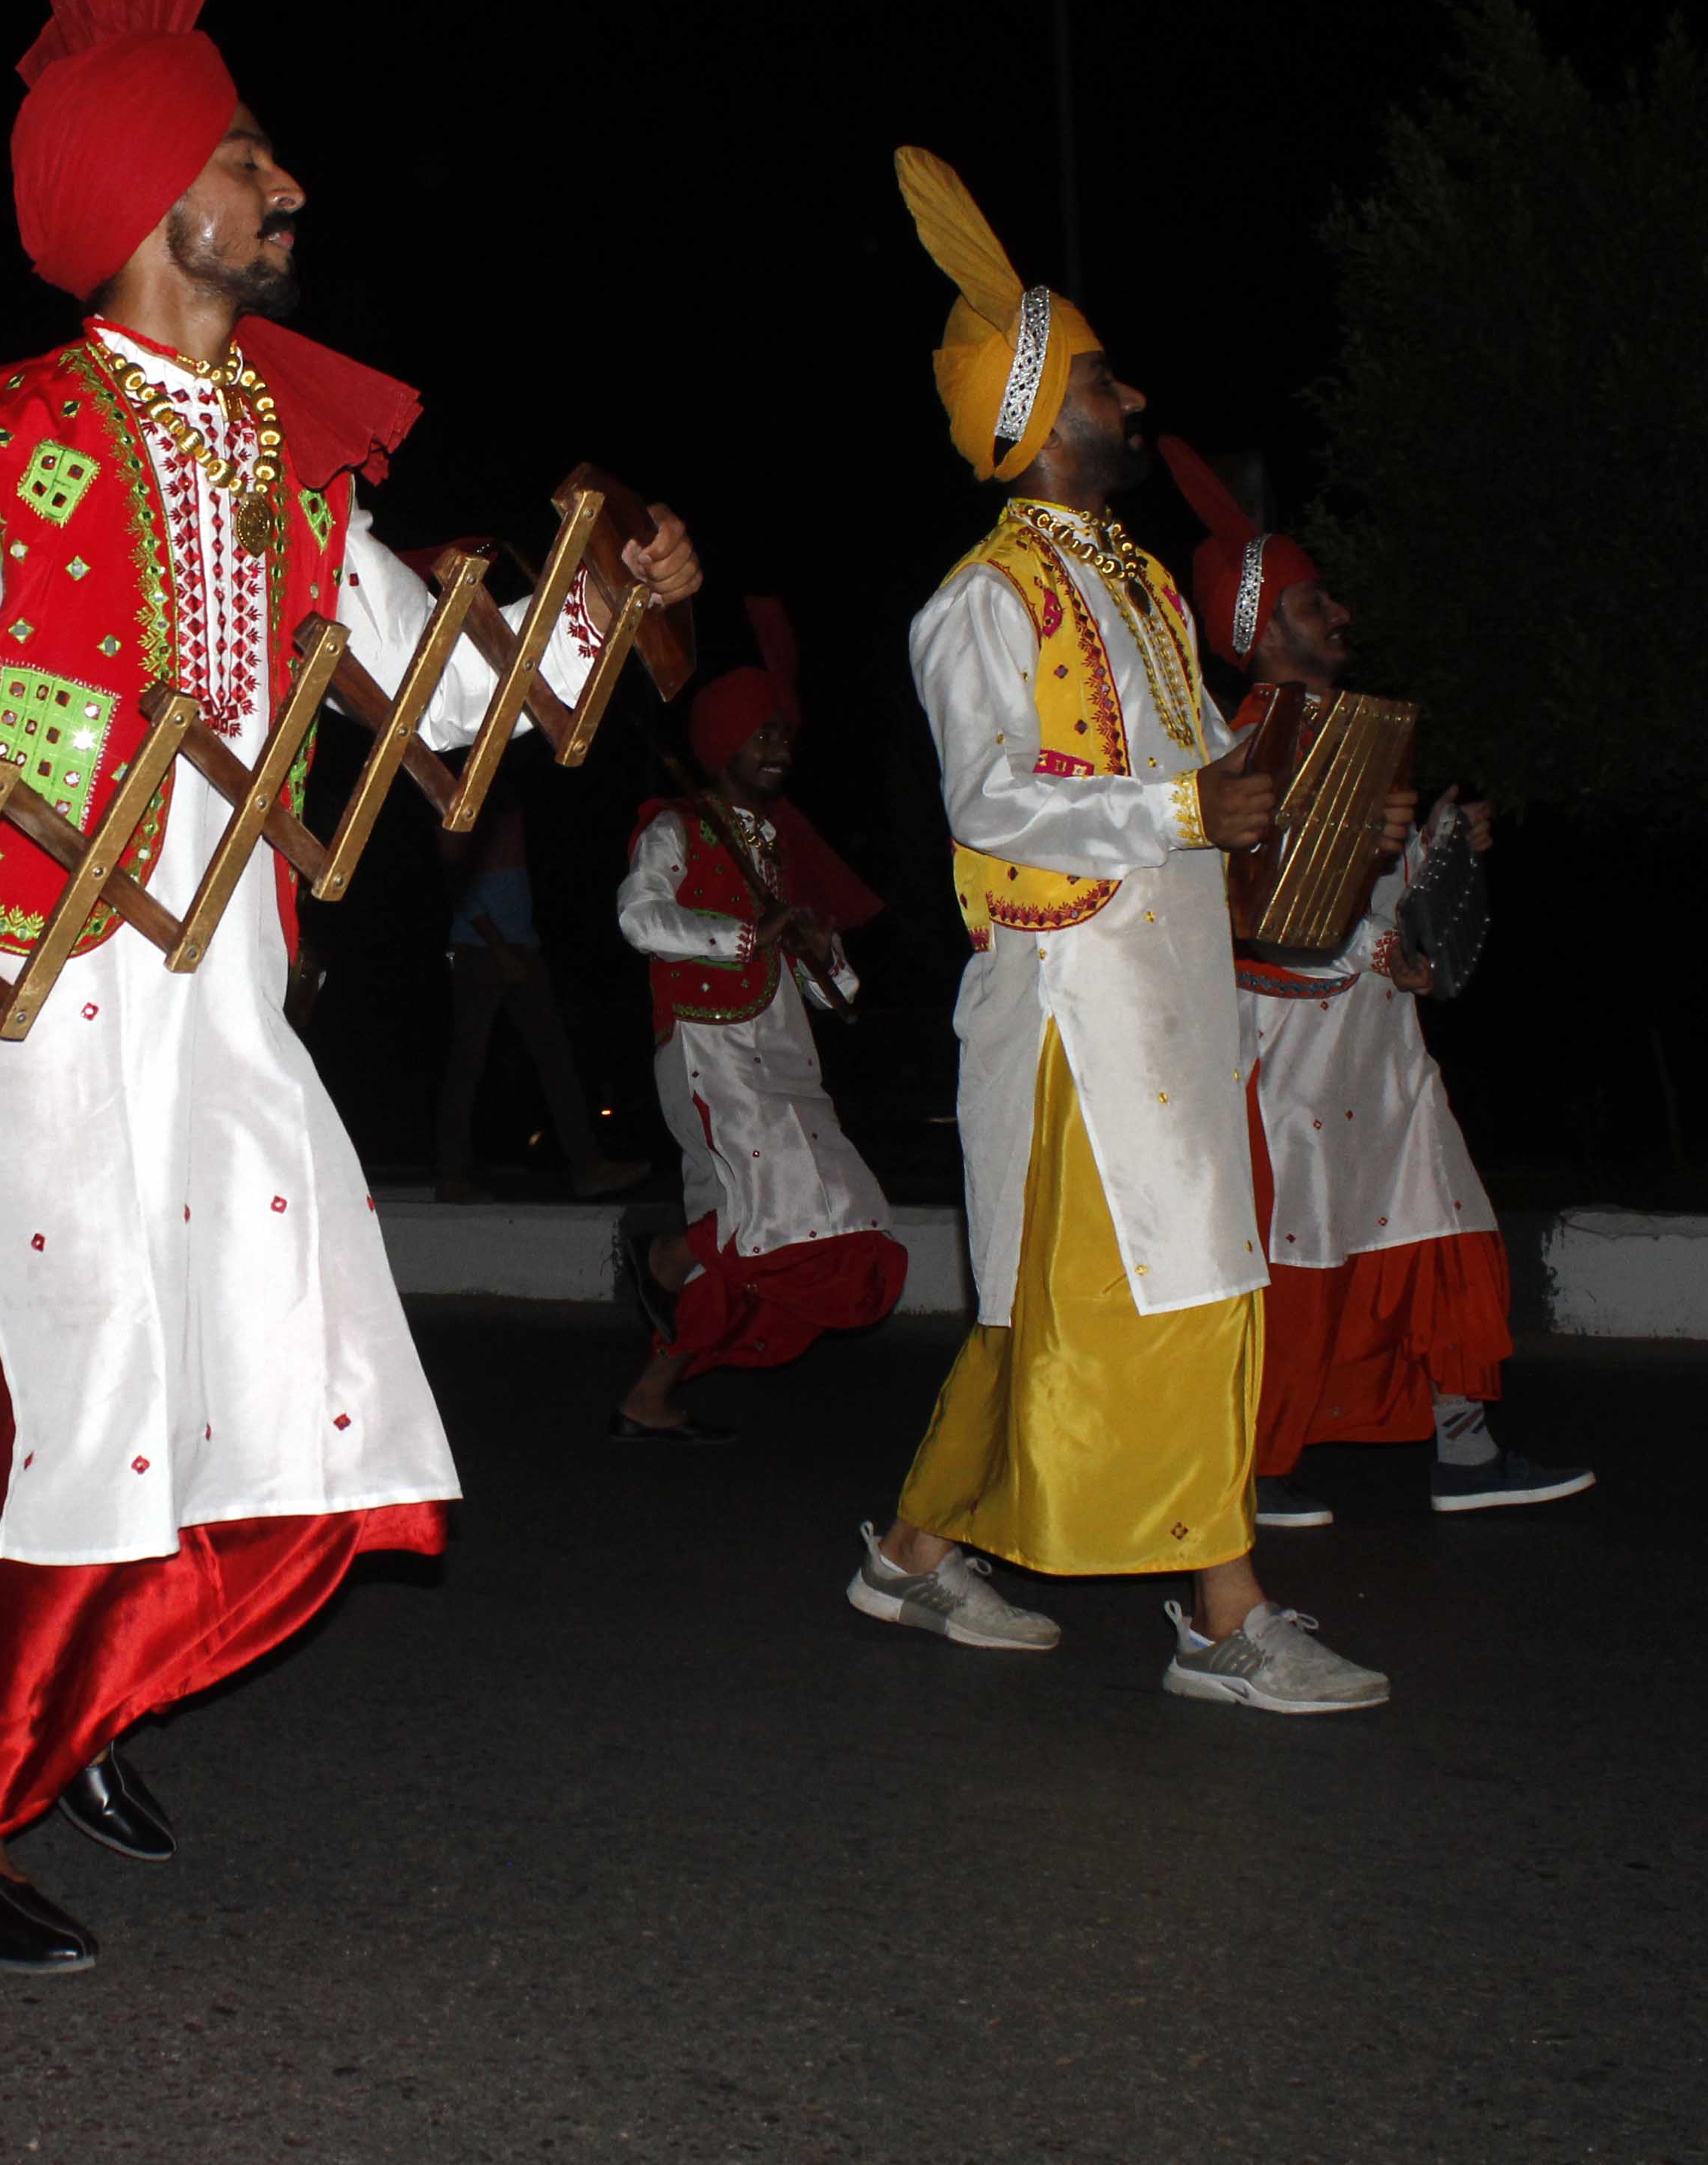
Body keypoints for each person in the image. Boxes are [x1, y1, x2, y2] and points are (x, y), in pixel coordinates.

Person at [0, 0, 700, 1971]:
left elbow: (450, 699)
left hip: (233, 1031)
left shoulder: (288, 479)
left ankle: (82, 1713)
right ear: (163, 196)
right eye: (250, 159)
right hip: (36, 1036)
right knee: (80, 1453)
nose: (290, 185)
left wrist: (612, 601)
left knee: (311, 1427)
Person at [852, 150, 1404, 1715]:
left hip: (1168, 995)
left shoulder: (1147, 585)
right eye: (1100, 379)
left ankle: (905, 1553)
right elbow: (993, 804)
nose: (1131, 397)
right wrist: (1182, 818)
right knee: (1163, 1295)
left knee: (1072, 1308)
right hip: (1074, 1008)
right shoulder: (982, 601)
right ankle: (1225, 1622)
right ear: (1032, 418)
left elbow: (1193, 788)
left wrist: (1300, 814)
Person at [1158, 439, 1594, 1524]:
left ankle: (1467, 1448)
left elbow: (1377, 897)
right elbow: (1252, 918)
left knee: (1438, 1224)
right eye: (1312, 604)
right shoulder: (1223, 755)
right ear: (1260, 631)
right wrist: (1363, 904)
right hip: (1288, 1054)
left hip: (1380, 1039)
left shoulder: (1359, 736)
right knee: (1300, 1249)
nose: (1339, 613)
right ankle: (1254, 1468)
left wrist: (1441, 858)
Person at [609, 653, 906, 1441]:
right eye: (760, 733)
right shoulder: (677, 827)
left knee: (766, 1236)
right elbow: (642, 920)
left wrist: (821, 947)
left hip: (784, 1059)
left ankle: (651, 1391)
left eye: (781, 733)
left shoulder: (772, 848)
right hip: (710, 1053)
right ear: (721, 744)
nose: (778, 746)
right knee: (779, 1217)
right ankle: (666, 1255)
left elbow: (836, 997)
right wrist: (749, 933)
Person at [430, 789, 641, 1203]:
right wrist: (496, 945)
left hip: (523, 946)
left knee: (555, 1056)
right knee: (468, 1061)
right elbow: (454, 878)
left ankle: (588, 1167)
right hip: (479, 949)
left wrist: (521, 942)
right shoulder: (455, 797)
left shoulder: (511, 800)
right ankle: (451, 1174)